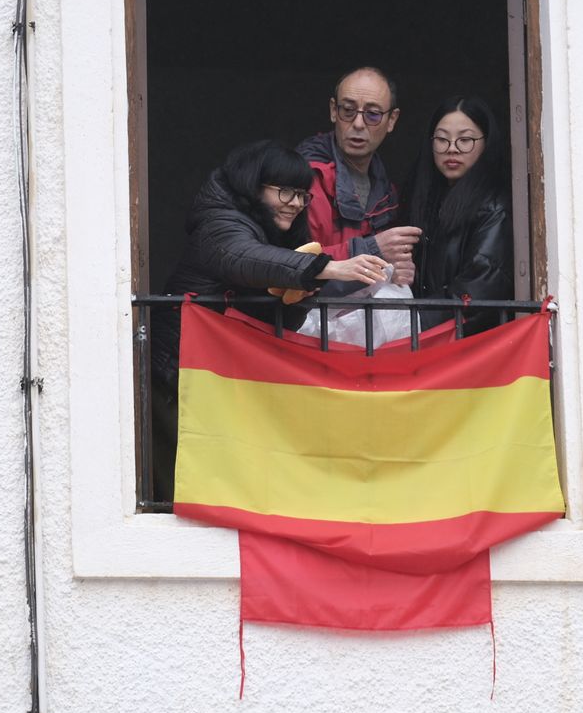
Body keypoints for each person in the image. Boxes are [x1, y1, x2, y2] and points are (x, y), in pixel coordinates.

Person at [149, 139, 389, 500]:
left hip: (218, 379)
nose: (295, 203)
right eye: (285, 192)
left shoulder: (276, 232)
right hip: (177, 375)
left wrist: (298, 298)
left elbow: (276, 319)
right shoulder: (219, 224)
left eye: (302, 195)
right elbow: (244, 258)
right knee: (185, 485)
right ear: (253, 185)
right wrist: (328, 267)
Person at [297, 67, 422, 291]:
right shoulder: (305, 177)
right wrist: (373, 249)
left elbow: (383, 263)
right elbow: (292, 263)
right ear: (333, 111)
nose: (358, 124)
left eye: (372, 114)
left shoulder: (386, 190)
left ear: (392, 120)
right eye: (348, 110)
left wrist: (396, 269)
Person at [405, 95, 513, 333]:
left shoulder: (495, 206)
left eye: (465, 140)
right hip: (434, 340)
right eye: (442, 139)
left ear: (487, 143)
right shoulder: (426, 198)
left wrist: (407, 324)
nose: (451, 148)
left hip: (468, 346)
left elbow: (480, 288)